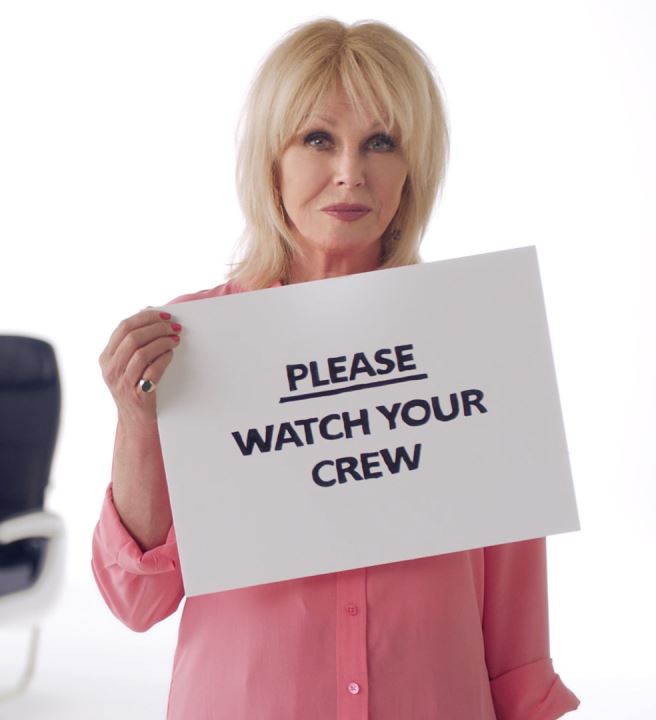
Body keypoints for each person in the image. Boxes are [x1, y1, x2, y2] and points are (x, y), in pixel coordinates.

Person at [93, 18, 579, 720]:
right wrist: (137, 420)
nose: (350, 170)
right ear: (272, 161)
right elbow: (137, 600)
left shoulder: (471, 335)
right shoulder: (190, 344)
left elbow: (514, 627)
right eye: (318, 139)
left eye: (380, 142)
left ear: (413, 167)